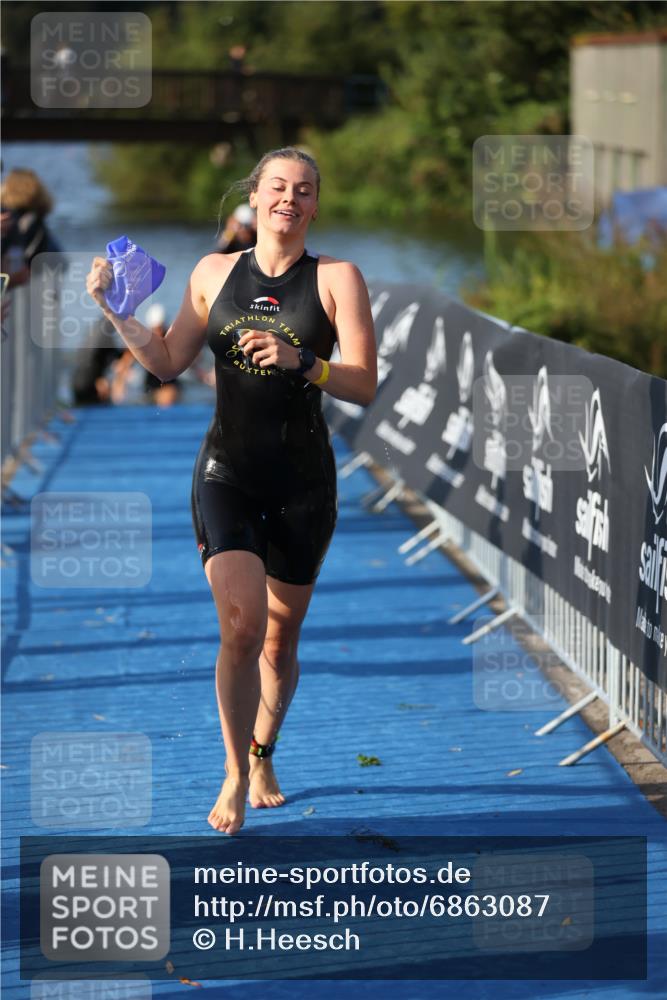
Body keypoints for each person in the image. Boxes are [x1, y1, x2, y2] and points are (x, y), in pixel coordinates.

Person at [86, 146, 377, 835]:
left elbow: (363, 383)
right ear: (255, 196)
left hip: (304, 480)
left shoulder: (338, 278)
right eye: (278, 186)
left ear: (314, 204)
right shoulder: (213, 272)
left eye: (304, 190)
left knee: (280, 639)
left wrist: (305, 361)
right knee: (242, 628)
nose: (290, 199)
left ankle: (265, 751)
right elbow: (162, 363)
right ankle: (234, 773)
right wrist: (113, 308)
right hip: (228, 473)